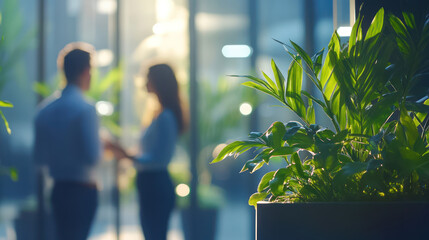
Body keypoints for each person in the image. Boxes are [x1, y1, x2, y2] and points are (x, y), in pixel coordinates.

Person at [112, 63, 187, 240]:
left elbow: (159, 159)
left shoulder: (166, 116)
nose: (144, 82)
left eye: (148, 78)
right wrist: (128, 154)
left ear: (158, 82)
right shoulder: (159, 114)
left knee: (154, 234)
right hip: (151, 184)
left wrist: (128, 155)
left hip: (156, 184)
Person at [34, 42, 100, 240]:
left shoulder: (44, 110)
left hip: (59, 191)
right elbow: (93, 157)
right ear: (86, 71)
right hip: (83, 192)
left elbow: (39, 159)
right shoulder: (85, 109)